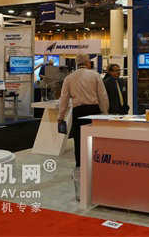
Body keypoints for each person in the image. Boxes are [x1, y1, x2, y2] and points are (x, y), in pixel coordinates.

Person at [58, 53, 108, 199]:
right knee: (95, 141)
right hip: (93, 111)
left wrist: (61, 116)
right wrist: (105, 112)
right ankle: (95, 168)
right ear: (87, 63)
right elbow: (103, 96)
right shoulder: (95, 75)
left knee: (79, 141)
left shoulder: (69, 78)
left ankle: (80, 169)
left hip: (78, 111)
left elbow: (64, 99)